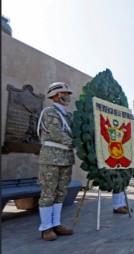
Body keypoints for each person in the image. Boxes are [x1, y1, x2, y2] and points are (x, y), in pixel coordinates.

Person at [36, 82, 75, 241]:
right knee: (48, 192)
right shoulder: (50, 112)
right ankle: (46, 227)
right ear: (58, 95)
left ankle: (56, 223)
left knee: (61, 192)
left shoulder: (67, 115)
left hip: (66, 158)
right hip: (51, 158)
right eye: (66, 93)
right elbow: (56, 133)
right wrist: (76, 142)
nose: (68, 96)